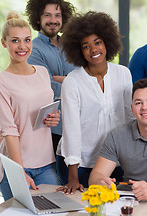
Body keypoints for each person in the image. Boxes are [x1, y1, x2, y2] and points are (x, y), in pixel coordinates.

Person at [55, 11, 133, 194]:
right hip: (78, 163)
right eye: (86, 46)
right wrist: (72, 176)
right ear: (79, 51)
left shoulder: (123, 73)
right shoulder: (72, 81)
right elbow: (71, 129)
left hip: (114, 161)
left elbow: (130, 119)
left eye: (97, 42)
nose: (94, 50)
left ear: (107, 42)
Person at [0, 11, 61, 201]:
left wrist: (54, 117)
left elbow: (43, 111)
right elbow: (9, 130)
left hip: (47, 163)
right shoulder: (1, 82)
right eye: (15, 41)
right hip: (16, 165)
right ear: (4, 43)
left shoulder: (43, 72)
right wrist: (19, 171)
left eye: (27, 40)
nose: (22, 46)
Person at [25, 0, 77, 156]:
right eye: (47, 15)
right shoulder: (32, 49)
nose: (53, 20)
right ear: (38, 19)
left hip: (76, 125)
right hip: (51, 128)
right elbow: (45, 87)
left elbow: (85, 79)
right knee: (54, 178)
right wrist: (72, 83)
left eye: (57, 15)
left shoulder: (71, 47)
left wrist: (61, 80)